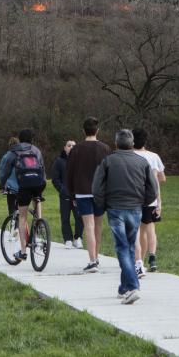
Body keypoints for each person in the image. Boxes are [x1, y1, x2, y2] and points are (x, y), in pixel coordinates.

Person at [92, 129, 157, 305]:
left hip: (115, 209)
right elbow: (153, 189)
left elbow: (97, 188)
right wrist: (144, 202)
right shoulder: (142, 162)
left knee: (122, 247)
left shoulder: (108, 161)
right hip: (135, 208)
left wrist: (103, 204)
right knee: (128, 247)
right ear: (132, 142)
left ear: (116, 143)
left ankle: (133, 286)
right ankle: (124, 287)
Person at [66, 117, 111, 273]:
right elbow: (109, 173)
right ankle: (96, 258)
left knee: (89, 226)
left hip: (82, 192)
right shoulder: (105, 149)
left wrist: (71, 194)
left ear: (83, 131)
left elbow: (69, 174)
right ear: (97, 131)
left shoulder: (76, 150)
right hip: (100, 193)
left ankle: (92, 261)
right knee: (98, 226)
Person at [0, 128, 46, 262]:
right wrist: (41, 184)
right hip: (39, 184)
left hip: (24, 186)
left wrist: (2, 185)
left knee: (22, 217)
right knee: (37, 199)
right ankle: (40, 222)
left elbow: (4, 171)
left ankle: (23, 252)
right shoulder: (36, 150)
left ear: (19, 139)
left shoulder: (13, 152)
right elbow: (42, 168)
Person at [132, 128, 166, 276]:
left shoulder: (130, 156)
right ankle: (152, 258)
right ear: (146, 141)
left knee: (137, 231)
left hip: (134, 197)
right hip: (151, 198)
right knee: (149, 228)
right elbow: (162, 178)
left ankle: (139, 261)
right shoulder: (154, 156)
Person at [51, 140, 83, 249]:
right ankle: (68, 239)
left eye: (74, 145)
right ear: (65, 148)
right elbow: (55, 179)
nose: (71, 147)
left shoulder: (80, 161)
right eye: (69, 145)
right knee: (65, 218)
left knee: (79, 218)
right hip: (65, 196)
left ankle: (78, 238)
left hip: (77, 195)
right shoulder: (59, 161)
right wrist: (62, 189)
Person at [0, 137, 21, 216]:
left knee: (11, 210)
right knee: (21, 210)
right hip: (23, 186)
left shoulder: (7, 156)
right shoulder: (24, 155)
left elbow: (2, 172)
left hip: (11, 187)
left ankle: (14, 226)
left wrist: (1, 186)